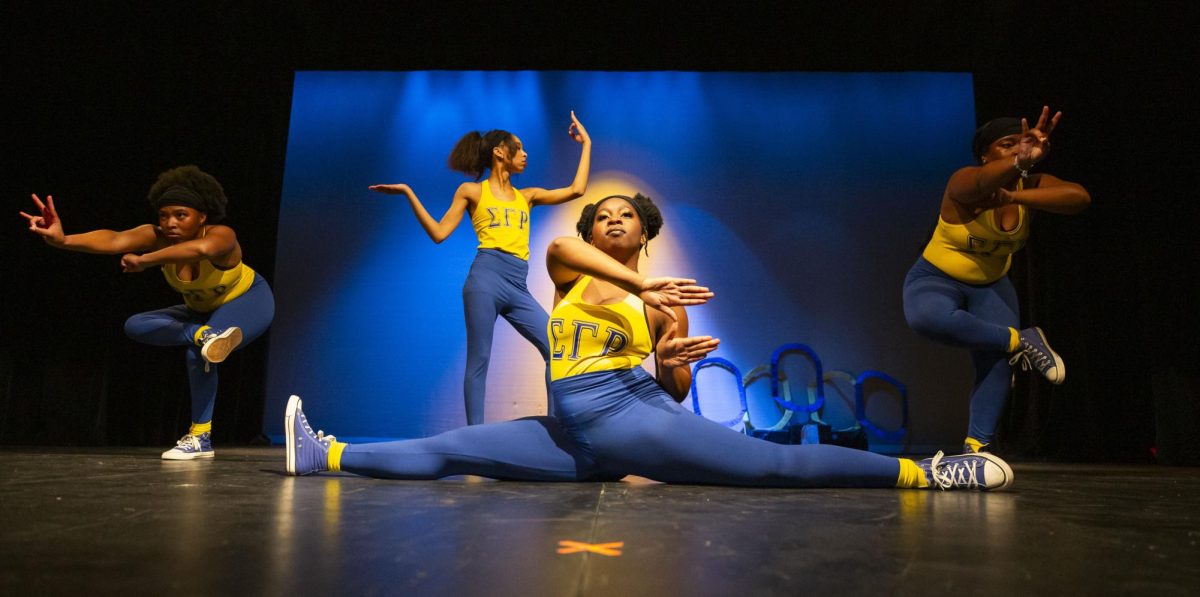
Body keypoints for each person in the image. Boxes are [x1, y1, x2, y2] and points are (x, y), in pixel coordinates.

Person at [285, 193, 1013, 491]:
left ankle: (927, 474)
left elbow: (674, 393)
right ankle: (328, 452)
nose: (608, 221)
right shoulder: (571, 267)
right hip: (574, 435)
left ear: (644, 231)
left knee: (768, 468)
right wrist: (640, 294)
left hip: (628, 416)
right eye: (600, 214)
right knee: (451, 450)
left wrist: (667, 362)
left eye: (623, 217)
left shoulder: (663, 304)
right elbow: (569, 252)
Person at [20, 165, 275, 460]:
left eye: (181, 215)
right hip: (199, 313)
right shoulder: (155, 236)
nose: (170, 223)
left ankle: (200, 436)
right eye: (164, 215)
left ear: (201, 216)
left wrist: (146, 260)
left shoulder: (222, 236)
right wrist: (63, 240)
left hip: (249, 300)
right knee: (135, 324)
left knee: (200, 352)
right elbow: (114, 239)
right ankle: (202, 333)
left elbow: (199, 250)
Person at [368, 112, 592, 424]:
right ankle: (476, 436)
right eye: (519, 147)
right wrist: (408, 192)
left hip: (517, 283)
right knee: (479, 359)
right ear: (500, 152)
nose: (525, 154)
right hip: (486, 277)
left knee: (554, 346)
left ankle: (556, 429)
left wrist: (587, 144)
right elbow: (439, 233)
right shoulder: (471, 191)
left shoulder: (527, 196)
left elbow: (577, 190)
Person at [903, 106, 1091, 454]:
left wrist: (1015, 194)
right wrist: (1018, 163)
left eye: (1022, 144)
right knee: (927, 318)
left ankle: (976, 451)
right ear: (984, 154)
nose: (1018, 150)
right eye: (1007, 144)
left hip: (992, 286)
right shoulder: (964, 180)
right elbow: (977, 184)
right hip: (937, 277)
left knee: (997, 361)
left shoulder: (1029, 187)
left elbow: (1079, 198)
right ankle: (1022, 340)